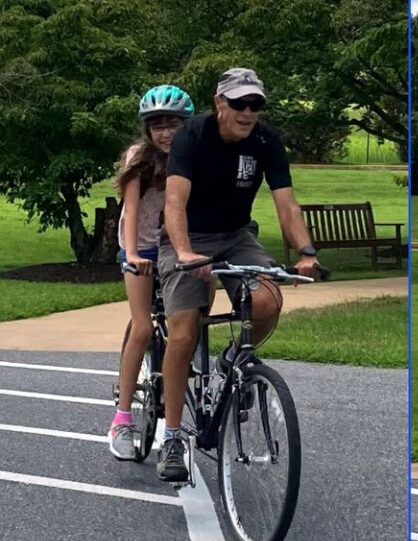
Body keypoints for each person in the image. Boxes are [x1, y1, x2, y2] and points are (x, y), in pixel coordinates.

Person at [156, 67, 322, 482]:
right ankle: (173, 436)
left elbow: (286, 204)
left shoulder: (266, 141)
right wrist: (184, 252)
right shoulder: (191, 137)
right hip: (187, 237)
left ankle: (233, 359)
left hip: (236, 236)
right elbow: (174, 203)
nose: (248, 112)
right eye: (239, 104)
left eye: (256, 104)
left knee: (267, 299)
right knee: (183, 331)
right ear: (219, 104)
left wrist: (306, 252)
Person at [109, 85, 195, 460]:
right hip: (141, 245)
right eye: (157, 125)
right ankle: (122, 418)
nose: (165, 132)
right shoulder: (138, 158)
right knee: (142, 326)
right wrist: (130, 254)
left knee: (188, 323)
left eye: (173, 124)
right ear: (146, 129)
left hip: (174, 246)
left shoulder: (193, 155)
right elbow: (129, 209)